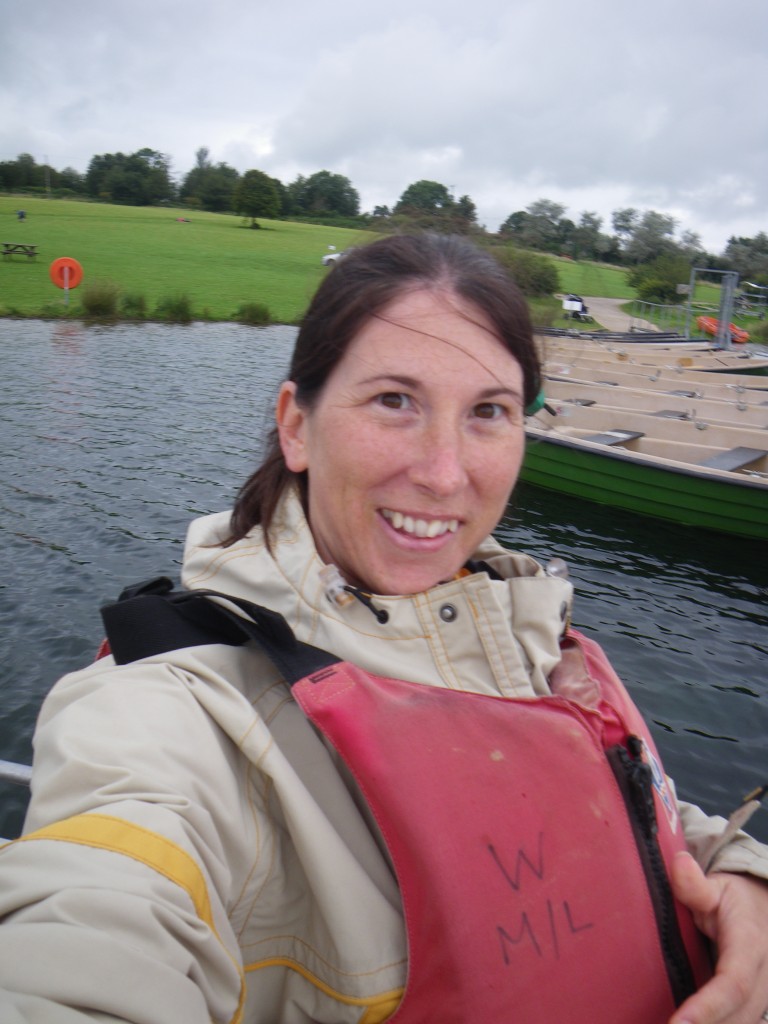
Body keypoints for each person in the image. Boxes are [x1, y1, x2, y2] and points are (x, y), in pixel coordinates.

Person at [0, 233, 766, 1024]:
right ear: (296, 426)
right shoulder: (176, 714)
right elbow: (92, 930)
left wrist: (739, 877)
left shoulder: (521, 625)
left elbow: (629, 806)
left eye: (489, 413)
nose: (444, 472)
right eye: (395, 400)